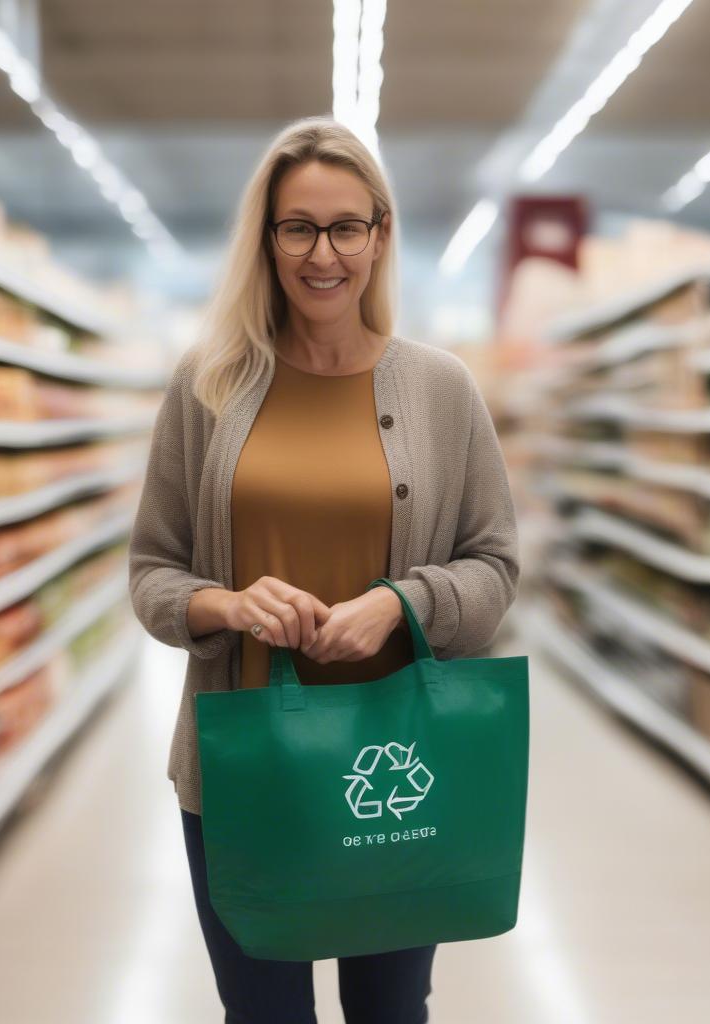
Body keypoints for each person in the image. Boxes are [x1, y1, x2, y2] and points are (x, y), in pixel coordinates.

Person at [128, 115, 520, 1024]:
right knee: (263, 1015)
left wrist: (400, 604)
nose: (323, 254)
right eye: (297, 226)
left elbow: (496, 566)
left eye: (347, 226)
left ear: (380, 235)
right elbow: (152, 572)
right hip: (244, 768)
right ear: (265, 240)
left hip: (396, 762)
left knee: (390, 1012)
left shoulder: (440, 389)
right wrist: (225, 604)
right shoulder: (208, 386)